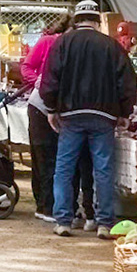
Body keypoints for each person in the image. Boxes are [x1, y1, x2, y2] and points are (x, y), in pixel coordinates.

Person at [38, 0, 137, 239]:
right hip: (104, 115)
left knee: (64, 168)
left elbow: (50, 79)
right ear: (97, 21)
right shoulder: (111, 46)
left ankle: (63, 220)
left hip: (71, 115)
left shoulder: (63, 43)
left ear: (77, 20)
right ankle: (104, 222)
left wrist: (52, 108)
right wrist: (124, 112)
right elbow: (127, 82)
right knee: (103, 169)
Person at [22, 16, 90, 225]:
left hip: (60, 108)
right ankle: (45, 205)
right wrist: (39, 82)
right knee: (45, 157)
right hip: (42, 106)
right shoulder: (49, 43)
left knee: (64, 161)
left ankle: (63, 205)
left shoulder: (76, 49)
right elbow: (27, 68)